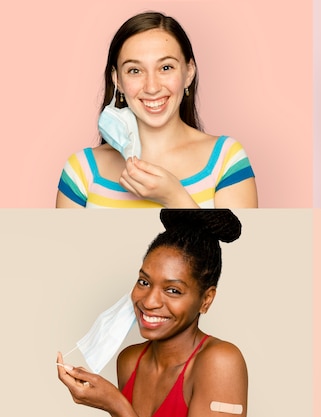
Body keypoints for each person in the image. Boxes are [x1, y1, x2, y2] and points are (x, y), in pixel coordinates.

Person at [57, 209, 248, 417]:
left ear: (206, 300)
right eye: (144, 282)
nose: (149, 302)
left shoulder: (221, 362)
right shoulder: (129, 361)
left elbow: (122, 410)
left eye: (173, 290)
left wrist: (116, 404)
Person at [56, 12, 258, 208]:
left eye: (166, 68)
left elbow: (237, 244)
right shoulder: (81, 170)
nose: (152, 87)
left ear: (189, 73)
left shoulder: (227, 159)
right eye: (135, 70)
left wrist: (175, 198)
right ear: (117, 80)